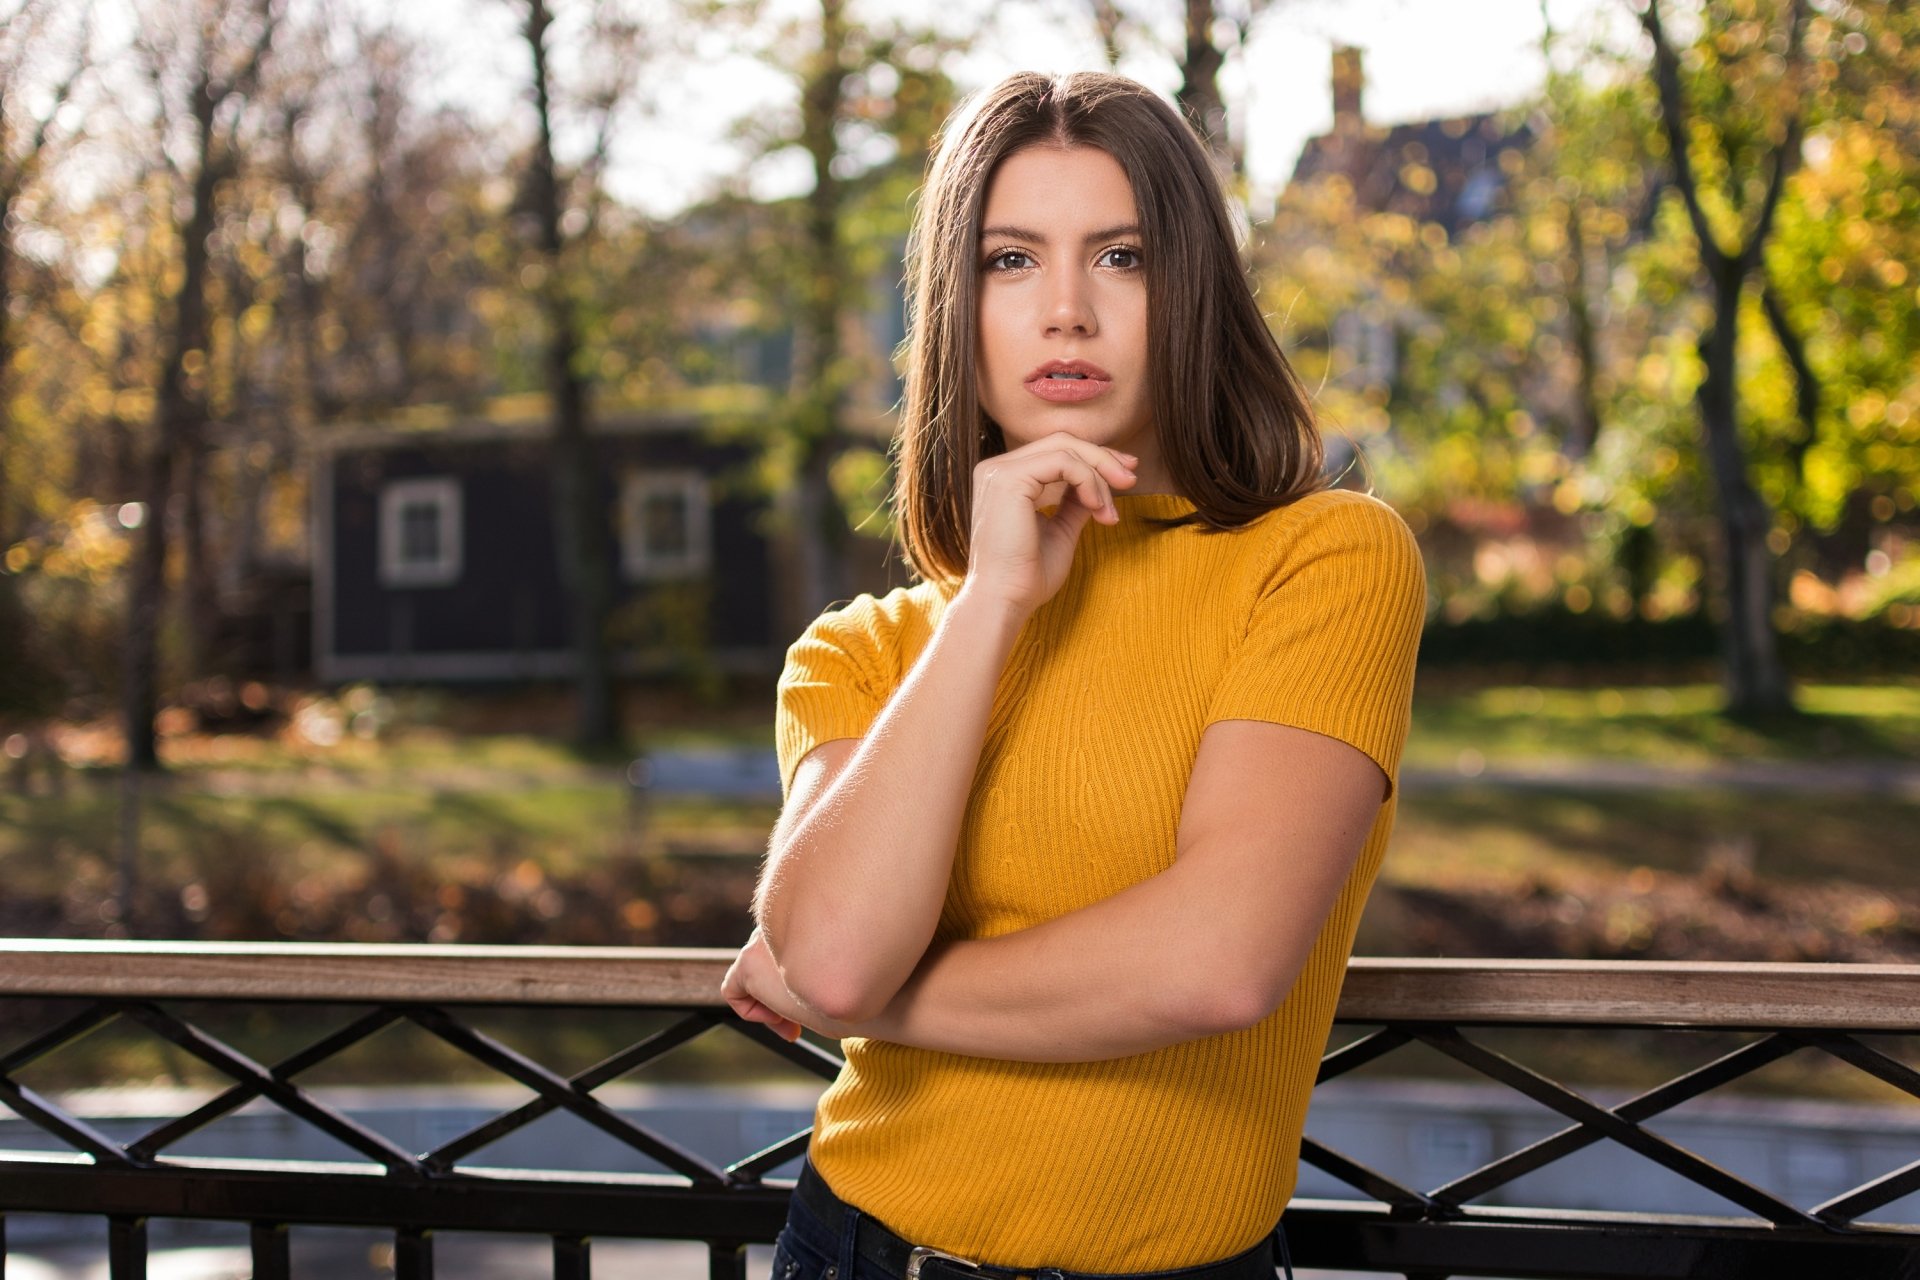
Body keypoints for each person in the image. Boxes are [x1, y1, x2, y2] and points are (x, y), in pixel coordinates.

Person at [721, 69, 1425, 1280]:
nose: (1064, 312)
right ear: (958, 305)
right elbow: (833, 955)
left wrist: (875, 999)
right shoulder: (864, 649)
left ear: (1191, 289)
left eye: (1121, 257)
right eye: (1009, 260)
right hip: (852, 1250)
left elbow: (1218, 962)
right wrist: (992, 600)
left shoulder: (1327, 561)